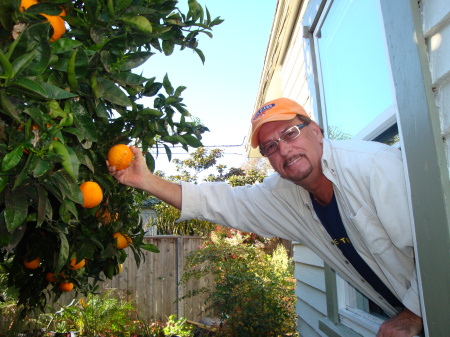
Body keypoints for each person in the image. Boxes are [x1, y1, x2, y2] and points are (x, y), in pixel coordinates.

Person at [108, 97, 423, 337]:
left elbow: (437, 243)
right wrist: (146, 181)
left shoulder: (373, 168)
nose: (284, 150)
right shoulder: (285, 194)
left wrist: (414, 314)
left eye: (290, 133)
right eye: (271, 146)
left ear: (316, 131)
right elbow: (221, 202)